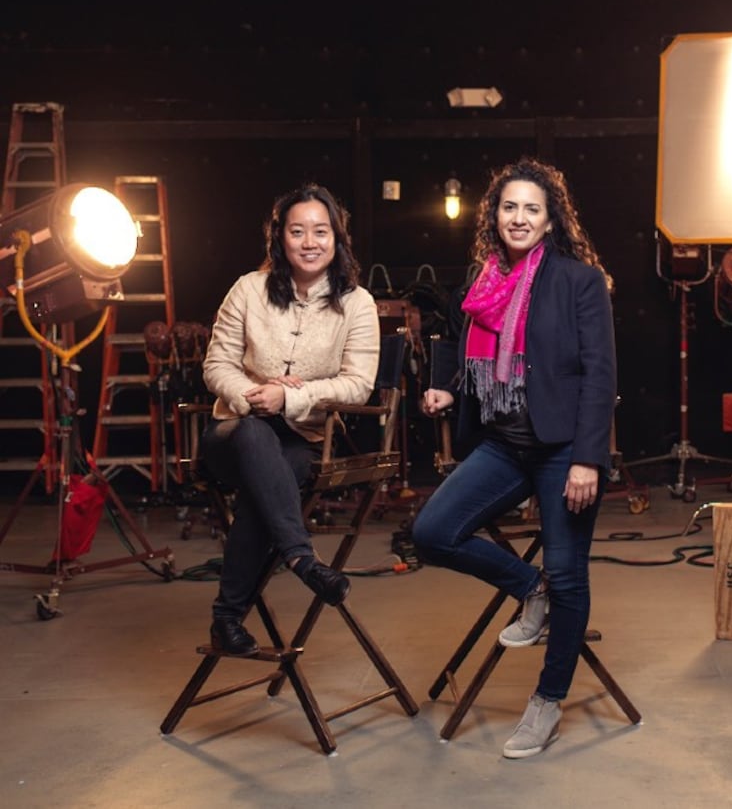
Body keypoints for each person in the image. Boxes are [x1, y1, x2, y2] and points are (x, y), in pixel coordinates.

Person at [413, 157, 617, 759]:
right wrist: (448, 384)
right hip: (504, 444)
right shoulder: (484, 280)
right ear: (494, 215)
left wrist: (587, 459)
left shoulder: (579, 281)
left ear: (550, 219)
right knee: (431, 531)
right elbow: (459, 337)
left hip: (562, 452)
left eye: (532, 208)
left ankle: (546, 702)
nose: (519, 218)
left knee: (570, 571)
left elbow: (599, 375)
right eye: (509, 207)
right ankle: (533, 589)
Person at [201, 183, 380, 656]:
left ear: (338, 239)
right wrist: (253, 396)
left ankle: (226, 620)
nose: (309, 242)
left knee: (272, 483)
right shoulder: (248, 289)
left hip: (300, 437)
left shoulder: (357, 303)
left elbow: (358, 384)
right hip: (231, 432)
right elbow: (216, 365)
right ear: (279, 237)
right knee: (256, 438)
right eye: (297, 231)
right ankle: (302, 559)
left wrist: (291, 398)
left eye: (320, 231)